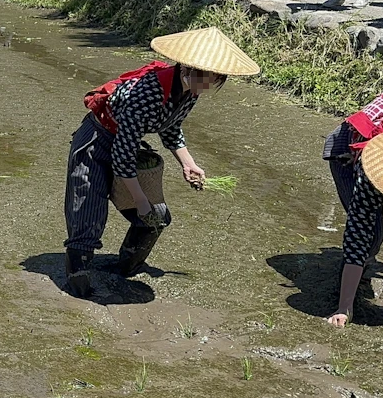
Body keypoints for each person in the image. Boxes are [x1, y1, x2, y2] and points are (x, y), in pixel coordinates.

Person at [62, 28, 260, 297]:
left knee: (156, 217)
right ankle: (78, 283)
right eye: (207, 78)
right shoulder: (145, 93)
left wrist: (187, 163)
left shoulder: (190, 91)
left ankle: (124, 269)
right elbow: (122, 155)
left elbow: (170, 127)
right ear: (187, 69)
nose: (209, 86)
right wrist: (140, 199)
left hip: (124, 145)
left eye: (216, 80)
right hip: (97, 141)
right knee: (88, 213)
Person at [326, 118, 383, 327]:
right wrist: (344, 308)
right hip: (347, 151)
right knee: (371, 237)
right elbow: (357, 234)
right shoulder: (370, 176)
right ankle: (353, 283)